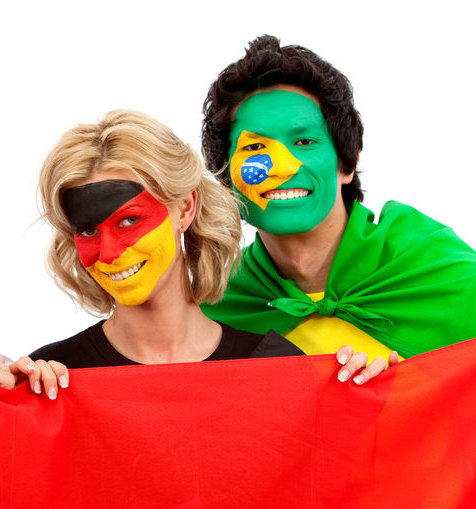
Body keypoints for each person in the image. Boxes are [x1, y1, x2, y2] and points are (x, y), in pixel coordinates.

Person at [200, 35, 476, 372]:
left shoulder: (444, 276)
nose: (284, 167)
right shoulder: (215, 306)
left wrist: (406, 393)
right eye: (255, 148)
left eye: (304, 141)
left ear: (346, 163)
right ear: (225, 178)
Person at [19, 109, 302, 397]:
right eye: (88, 231)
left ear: (184, 209)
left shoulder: (276, 367)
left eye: (129, 220)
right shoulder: (52, 377)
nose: (108, 253)